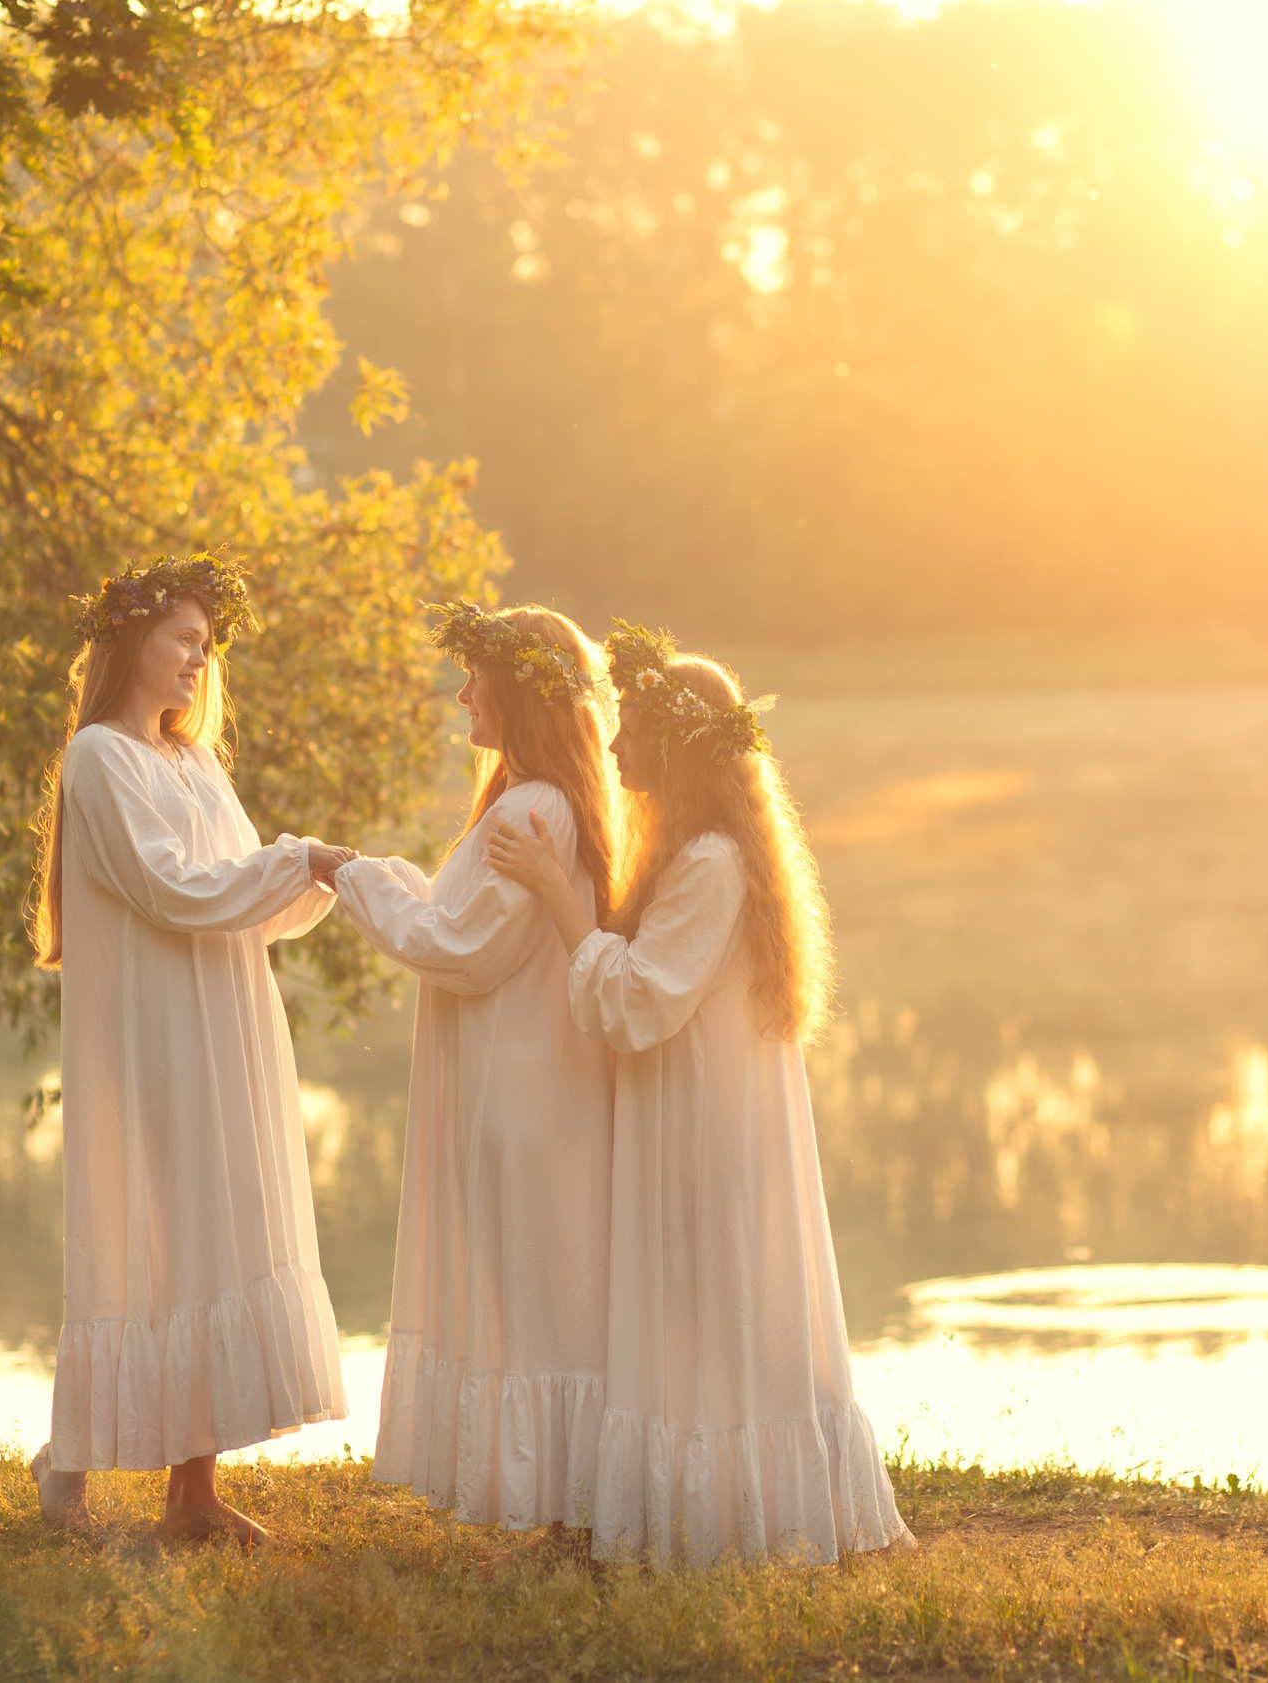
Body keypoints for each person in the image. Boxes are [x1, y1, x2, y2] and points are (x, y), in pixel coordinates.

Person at [487, 621, 911, 1566]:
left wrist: (561, 898)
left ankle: (740, 1520)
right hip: (682, 1115)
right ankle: (700, 1507)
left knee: (718, 1302)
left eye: (630, 725)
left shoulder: (714, 861)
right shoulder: (689, 855)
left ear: (677, 745)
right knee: (693, 1312)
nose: (612, 741)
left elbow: (638, 1000)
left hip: (703, 1130)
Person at [24, 554, 362, 1548]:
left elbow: (248, 900)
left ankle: (193, 1495)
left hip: (227, 1022)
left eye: (207, 648)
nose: (197, 660)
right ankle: (70, 1459)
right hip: (155, 1031)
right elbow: (171, 889)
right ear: (132, 640)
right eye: (183, 638)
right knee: (147, 1230)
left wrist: (319, 878)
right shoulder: (98, 757)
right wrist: (297, 858)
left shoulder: (193, 760)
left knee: (217, 1232)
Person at [330, 603, 619, 1534]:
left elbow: (464, 949)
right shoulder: (536, 799)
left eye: (476, 680)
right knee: (544, 1292)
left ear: (521, 693)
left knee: (532, 1300)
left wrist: (353, 879)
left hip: (522, 1089)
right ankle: (553, 1502)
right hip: (529, 1084)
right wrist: (381, 876)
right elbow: (467, 917)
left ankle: (545, 1506)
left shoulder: (534, 805)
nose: (461, 695)